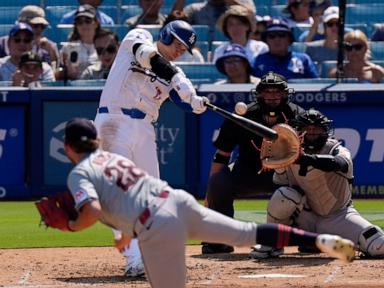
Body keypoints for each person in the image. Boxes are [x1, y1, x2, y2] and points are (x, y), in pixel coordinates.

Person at [61, 117, 355, 288]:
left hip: (157, 224)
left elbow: (93, 211)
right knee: (246, 233)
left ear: (66, 147)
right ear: (97, 142)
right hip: (176, 202)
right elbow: (135, 193)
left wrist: (74, 225)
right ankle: (322, 240)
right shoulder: (113, 158)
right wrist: (126, 232)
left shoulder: (80, 173)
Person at [93, 20, 207, 276]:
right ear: (166, 35)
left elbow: (184, 102)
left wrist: (197, 102)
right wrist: (179, 78)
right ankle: (134, 260)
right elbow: (150, 58)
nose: (180, 51)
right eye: (178, 44)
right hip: (113, 121)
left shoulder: (174, 73)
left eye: (184, 48)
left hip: (144, 128)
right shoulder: (138, 37)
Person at [250, 109, 384, 259]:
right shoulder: (288, 153)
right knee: (284, 195)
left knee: (379, 245)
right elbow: (279, 184)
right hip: (305, 217)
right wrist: (280, 164)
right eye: (307, 128)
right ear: (298, 131)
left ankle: (313, 243)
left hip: (339, 216)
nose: (312, 131)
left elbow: (338, 164)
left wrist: (304, 159)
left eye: (317, 128)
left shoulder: (336, 149)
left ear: (326, 131)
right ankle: (272, 242)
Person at [202, 71, 305, 254]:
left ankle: (307, 236)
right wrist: (210, 197)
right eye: (267, 92)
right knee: (219, 181)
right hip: (247, 172)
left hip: (284, 176)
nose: (272, 96)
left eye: (277, 92)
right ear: (258, 94)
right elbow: (222, 155)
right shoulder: (242, 117)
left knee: (308, 185)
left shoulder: (297, 116)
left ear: (285, 94)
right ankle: (220, 239)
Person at [252, 18, 319, 80]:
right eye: (272, 36)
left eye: (282, 35)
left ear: (289, 39)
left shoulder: (303, 59)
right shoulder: (258, 61)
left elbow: (315, 84)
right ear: (266, 40)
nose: (277, 39)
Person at [56, 4, 100, 81]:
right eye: (79, 22)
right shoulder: (68, 47)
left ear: (96, 23)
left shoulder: (105, 45)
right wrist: (67, 72)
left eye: (88, 21)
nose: (84, 25)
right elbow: (57, 74)